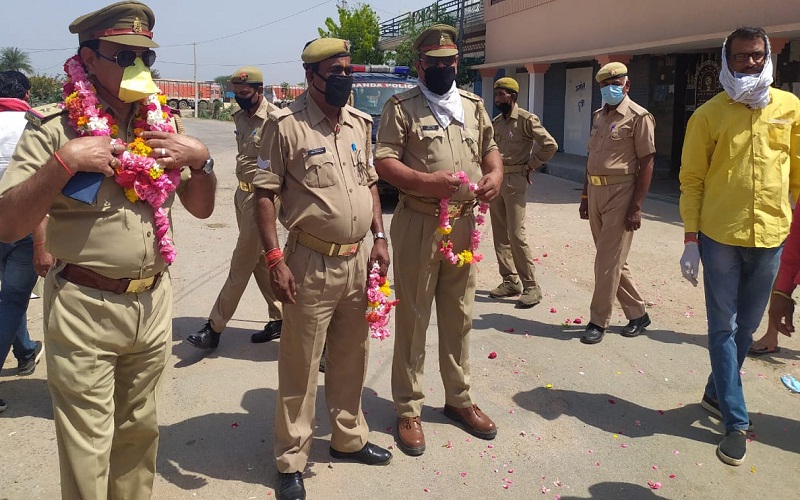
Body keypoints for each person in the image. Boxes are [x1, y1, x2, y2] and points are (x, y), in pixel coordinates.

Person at [0, 2, 217, 497]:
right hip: (85, 306)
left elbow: (202, 209)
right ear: (88, 58)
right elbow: (8, 221)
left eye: (145, 58)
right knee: (88, 447)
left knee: (140, 436)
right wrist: (65, 161)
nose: (139, 69)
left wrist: (200, 162)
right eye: (124, 55)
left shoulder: (163, 125)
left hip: (152, 300)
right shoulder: (57, 127)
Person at [253, 37, 392, 500]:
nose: (344, 79)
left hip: (357, 261)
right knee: (301, 364)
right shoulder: (285, 127)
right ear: (311, 75)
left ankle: (349, 438)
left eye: (348, 70)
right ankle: (291, 458)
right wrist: (275, 258)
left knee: (352, 357)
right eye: (336, 71)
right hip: (308, 262)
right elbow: (265, 194)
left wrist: (380, 236)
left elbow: (369, 181)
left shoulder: (358, 123)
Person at [374, 24, 503, 457]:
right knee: (413, 316)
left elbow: (490, 150)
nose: (445, 68)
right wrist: (428, 181)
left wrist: (496, 175)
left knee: (460, 313)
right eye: (436, 63)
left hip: (464, 224)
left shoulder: (472, 104)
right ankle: (408, 407)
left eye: (451, 62)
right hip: (419, 222)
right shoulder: (401, 107)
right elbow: (384, 161)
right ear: (420, 65)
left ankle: (458, 399)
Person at [679, 27, 800, 466]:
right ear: (725, 60)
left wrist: (789, 217)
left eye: (756, 55)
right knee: (722, 328)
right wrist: (691, 239)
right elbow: (691, 179)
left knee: (746, 328)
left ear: (768, 56)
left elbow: (798, 174)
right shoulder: (708, 115)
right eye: (741, 57)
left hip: (771, 237)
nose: (749, 63)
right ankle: (736, 421)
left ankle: (716, 391)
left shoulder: (790, 108)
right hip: (719, 238)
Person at [186, 66, 283, 349]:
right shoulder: (239, 117)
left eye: (245, 93)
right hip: (242, 197)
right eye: (236, 94)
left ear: (259, 91)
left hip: (263, 200)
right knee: (259, 262)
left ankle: (214, 327)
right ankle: (280, 318)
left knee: (240, 264)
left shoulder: (276, 120)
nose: (240, 98)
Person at [578, 62, 654, 345]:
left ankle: (598, 321)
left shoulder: (638, 117)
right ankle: (638, 313)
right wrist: (585, 195)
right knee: (612, 259)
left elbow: (647, 162)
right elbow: (591, 159)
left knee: (606, 261)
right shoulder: (599, 116)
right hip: (596, 192)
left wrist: (636, 206)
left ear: (627, 85)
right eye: (605, 84)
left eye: (616, 83)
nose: (610, 88)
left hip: (621, 193)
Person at [489, 77, 557, 308]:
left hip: (515, 181)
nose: (497, 99)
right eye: (496, 94)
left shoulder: (527, 120)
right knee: (500, 234)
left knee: (516, 235)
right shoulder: (496, 123)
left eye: (501, 95)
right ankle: (510, 281)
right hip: (497, 180)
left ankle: (531, 286)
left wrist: (531, 165)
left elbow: (550, 145)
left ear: (513, 96)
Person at [0, 71, 43, 413]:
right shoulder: (36, 126)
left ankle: (26, 350)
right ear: (27, 94)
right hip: (22, 227)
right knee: (13, 300)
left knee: (8, 301)